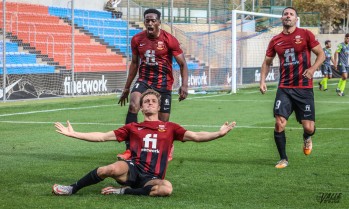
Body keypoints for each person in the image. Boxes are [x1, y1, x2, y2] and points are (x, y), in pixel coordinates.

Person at [52, 89, 236, 196]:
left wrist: (219, 133)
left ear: (158, 106)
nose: (149, 103)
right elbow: (102, 136)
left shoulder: (171, 127)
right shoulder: (132, 127)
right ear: (141, 107)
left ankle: (123, 192)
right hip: (132, 168)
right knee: (107, 169)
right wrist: (74, 133)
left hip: (152, 177)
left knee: (167, 189)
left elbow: (196, 136)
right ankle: (71, 188)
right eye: (146, 101)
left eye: (153, 101)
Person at [117, 9, 189, 161]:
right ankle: (130, 149)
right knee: (133, 105)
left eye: (153, 20)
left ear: (158, 22)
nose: (149, 23)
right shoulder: (137, 39)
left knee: (162, 123)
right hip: (144, 80)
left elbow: (183, 64)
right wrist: (127, 88)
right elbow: (135, 63)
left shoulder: (169, 40)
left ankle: (167, 146)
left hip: (164, 83)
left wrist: (184, 85)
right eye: (147, 20)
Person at [259, 7, 325, 169]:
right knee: (279, 123)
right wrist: (262, 81)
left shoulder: (305, 34)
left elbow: (321, 55)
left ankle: (307, 137)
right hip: (285, 88)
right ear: (282, 19)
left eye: (291, 14)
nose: (288, 16)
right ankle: (283, 159)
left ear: (296, 19)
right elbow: (267, 62)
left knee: (309, 127)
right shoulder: (275, 40)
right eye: (285, 14)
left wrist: (312, 69)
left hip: (304, 88)